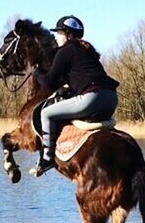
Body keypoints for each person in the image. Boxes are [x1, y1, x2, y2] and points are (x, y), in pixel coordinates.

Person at [32, 15, 120, 176]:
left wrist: (36, 73)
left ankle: (47, 158)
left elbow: (49, 81)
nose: (56, 37)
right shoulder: (87, 50)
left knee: (46, 113)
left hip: (92, 98)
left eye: (59, 33)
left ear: (69, 35)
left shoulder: (65, 51)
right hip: (111, 99)